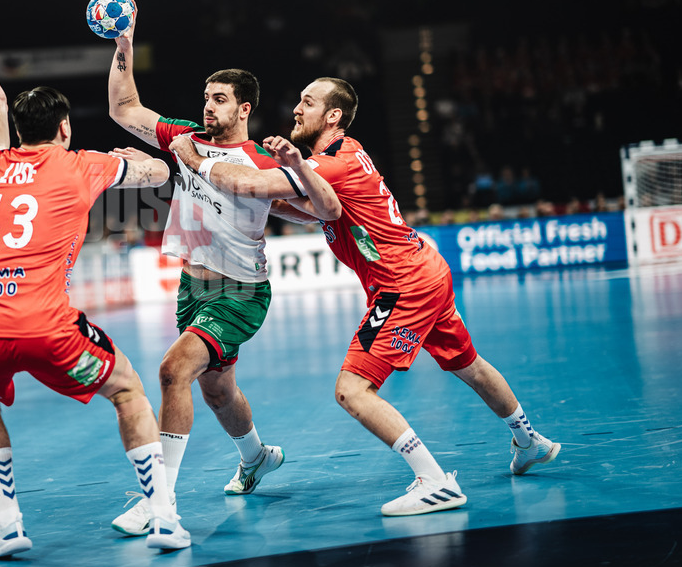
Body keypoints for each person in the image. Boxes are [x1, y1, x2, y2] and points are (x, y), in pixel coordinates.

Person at [170, 77, 560, 517]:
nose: (296, 108)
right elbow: (296, 205)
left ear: (332, 116)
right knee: (467, 364)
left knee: (352, 390)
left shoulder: (333, 161)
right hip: (426, 270)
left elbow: (253, 185)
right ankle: (529, 441)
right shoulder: (333, 158)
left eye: (307, 102)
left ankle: (434, 482)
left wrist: (194, 159)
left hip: (402, 286)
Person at [106, 12, 341, 535]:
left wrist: (291, 206)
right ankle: (256, 456)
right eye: (205, 97)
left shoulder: (260, 157)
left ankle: (159, 501)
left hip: (240, 293)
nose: (206, 106)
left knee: (173, 372)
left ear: (244, 107)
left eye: (218, 99)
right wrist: (125, 43)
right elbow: (123, 108)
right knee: (217, 391)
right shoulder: (184, 136)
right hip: (193, 288)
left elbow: (317, 207)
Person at [0, 68, 190, 558]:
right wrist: (138, 160)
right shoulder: (82, 165)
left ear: (20, 132)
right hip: (46, 328)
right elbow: (161, 174)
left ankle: (7, 525)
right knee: (127, 391)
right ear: (64, 128)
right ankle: (165, 519)